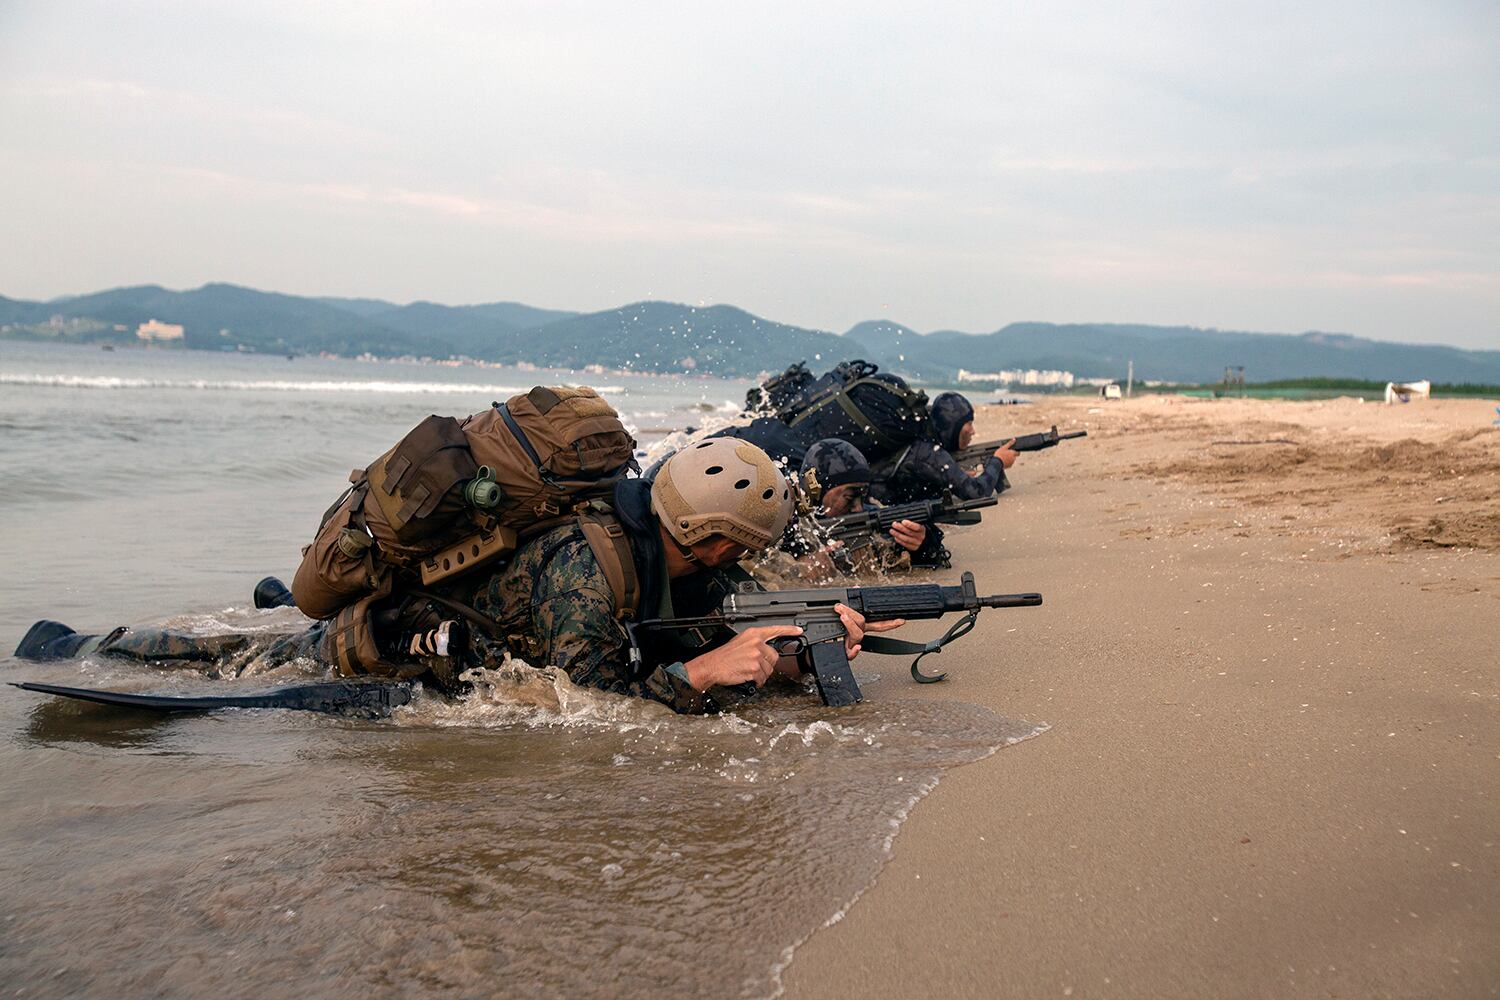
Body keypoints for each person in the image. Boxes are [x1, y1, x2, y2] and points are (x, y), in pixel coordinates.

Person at [15, 439, 901, 715]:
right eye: (737, 551)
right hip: (394, 641)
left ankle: (276, 607)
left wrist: (782, 657)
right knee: (244, 660)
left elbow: (695, 639)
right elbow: (589, 698)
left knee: (276, 634)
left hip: (457, 633)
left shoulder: (672, 564)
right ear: (709, 540)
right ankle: (81, 642)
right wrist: (701, 676)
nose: (738, 567)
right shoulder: (588, 566)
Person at [765, 438, 948, 582]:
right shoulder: (783, 523)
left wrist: (923, 544)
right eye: (850, 497)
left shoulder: (863, 515)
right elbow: (758, 571)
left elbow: (934, 554)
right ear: (817, 492)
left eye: (863, 496)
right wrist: (800, 568)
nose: (858, 507)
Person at [870, 392, 1019, 505]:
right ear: (953, 428)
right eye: (968, 424)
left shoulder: (923, 436)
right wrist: (998, 461)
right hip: (878, 505)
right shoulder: (929, 452)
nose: (973, 431)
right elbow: (976, 494)